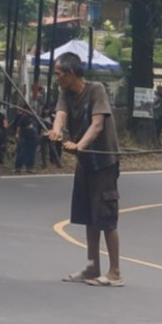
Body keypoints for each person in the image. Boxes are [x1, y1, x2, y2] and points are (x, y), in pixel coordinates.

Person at [49, 53, 123, 287]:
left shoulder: (96, 90)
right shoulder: (65, 93)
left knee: (105, 217)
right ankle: (92, 266)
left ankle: (115, 272)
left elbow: (98, 125)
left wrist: (78, 145)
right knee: (89, 215)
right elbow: (60, 116)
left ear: (71, 74)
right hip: (85, 163)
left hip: (104, 163)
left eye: (59, 74)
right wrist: (56, 131)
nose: (57, 78)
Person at [12, 103, 39, 174]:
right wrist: (17, 134)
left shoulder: (35, 118)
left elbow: (38, 127)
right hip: (24, 137)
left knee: (31, 153)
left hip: (33, 138)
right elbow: (19, 126)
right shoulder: (22, 117)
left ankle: (29, 167)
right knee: (21, 153)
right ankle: (18, 168)